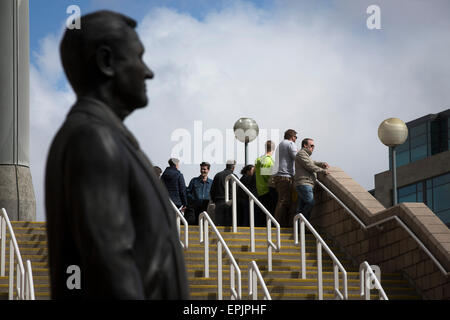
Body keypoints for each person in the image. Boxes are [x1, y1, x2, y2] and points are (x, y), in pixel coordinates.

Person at [45, 10, 188, 299]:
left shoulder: (106, 137)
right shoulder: (94, 139)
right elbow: (111, 266)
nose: (148, 71)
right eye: (138, 56)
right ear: (106, 62)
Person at [294, 138, 329, 220]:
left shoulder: (305, 155)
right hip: (304, 183)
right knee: (311, 202)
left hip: (305, 183)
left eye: (314, 146)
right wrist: (322, 171)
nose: (313, 147)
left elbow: (312, 162)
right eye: (311, 145)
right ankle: (303, 222)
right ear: (305, 145)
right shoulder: (301, 153)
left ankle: (299, 227)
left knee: (300, 207)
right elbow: (309, 165)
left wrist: (322, 163)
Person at [272, 129, 298, 227]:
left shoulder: (280, 144)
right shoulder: (290, 144)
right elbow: (298, 158)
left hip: (279, 176)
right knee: (283, 201)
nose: (296, 139)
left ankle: (280, 223)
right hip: (285, 176)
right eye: (296, 137)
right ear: (292, 137)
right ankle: (278, 224)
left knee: (282, 200)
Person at [254, 140, 276, 226]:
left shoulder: (258, 159)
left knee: (262, 213)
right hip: (268, 190)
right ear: (273, 149)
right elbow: (268, 175)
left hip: (259, 189)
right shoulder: (268, 160)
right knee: (269, 211)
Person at [210, 160, 237, 226]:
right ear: (233, 167)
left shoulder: (218, 175)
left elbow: (212, 190)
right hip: (230, 203)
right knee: (229, 225)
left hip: (219, 202)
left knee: (219, 224)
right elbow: (237, 190)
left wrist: (214, 200)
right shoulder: (234, 176)